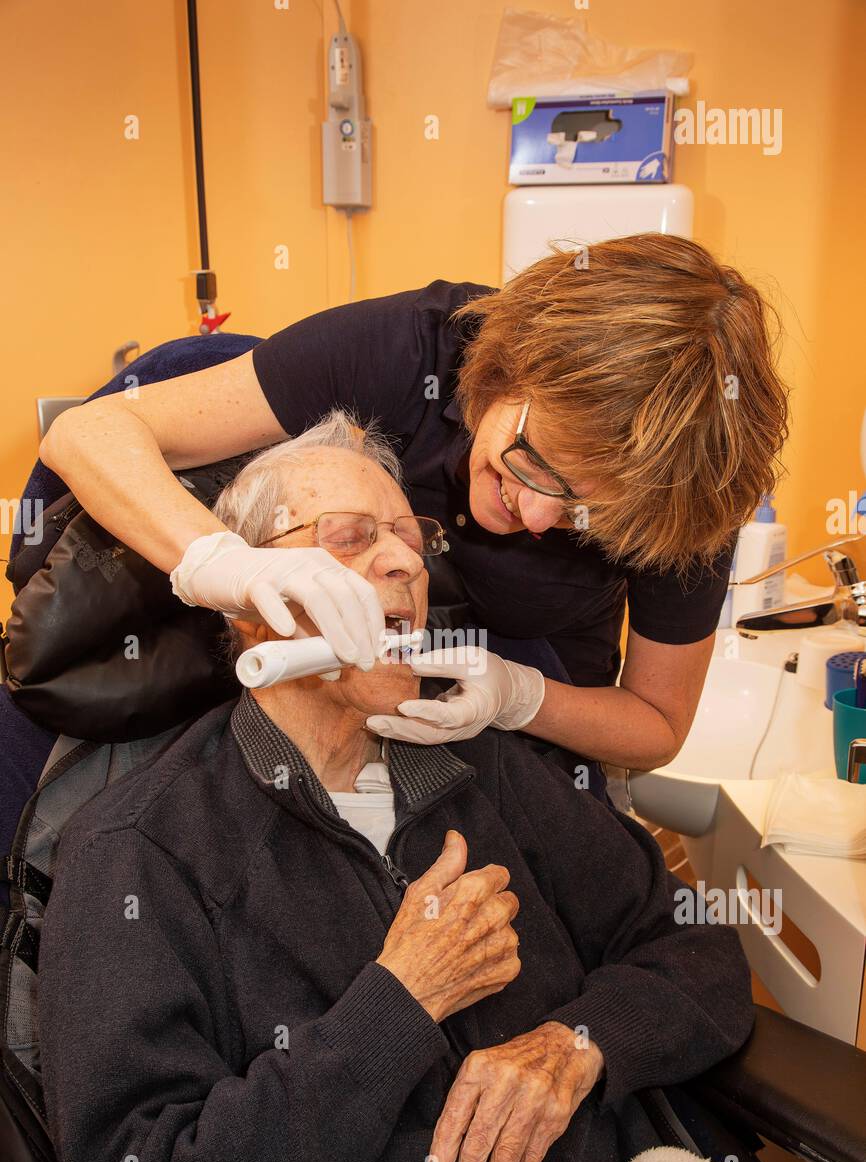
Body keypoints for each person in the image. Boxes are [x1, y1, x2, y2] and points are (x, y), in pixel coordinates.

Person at [39, 412, 755, 1162]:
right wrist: (399, 1004)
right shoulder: (137, 854)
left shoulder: (484, 767)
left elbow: (701, 958)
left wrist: (578, 1044)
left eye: (412, 540)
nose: (406, 563)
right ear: (251, 604)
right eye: (350, 539)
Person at [39, 235, 788, 795]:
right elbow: (89, 432)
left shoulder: (682, 496)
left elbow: (655, 726)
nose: (533, 516)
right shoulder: (402, 353)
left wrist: (520, 695)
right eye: (531, 462)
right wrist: (217, 559)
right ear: (511, 365)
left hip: (541, 728)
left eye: (585, 515)